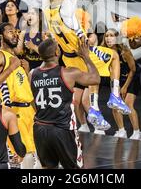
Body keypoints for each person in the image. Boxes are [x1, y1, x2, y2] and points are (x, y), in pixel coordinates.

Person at [44, 0, 129, 132]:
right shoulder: (65, 7)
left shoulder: (48, 7)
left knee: (93, 78)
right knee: (113, 56)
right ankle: (114, 96)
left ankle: (95, 111)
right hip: (81, 51)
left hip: (67, 56)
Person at [30, 38, 100, 169]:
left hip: (40, 128)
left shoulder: (32, 74)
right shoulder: (69, 72)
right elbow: (95, 79)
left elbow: (33, 102)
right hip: (62, 128)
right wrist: (86, 57)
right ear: (57, 52)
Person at [0, 22, 37, 169]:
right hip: (14, 111)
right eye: (10, 32)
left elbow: (24, 88)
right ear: (1, 36)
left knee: (35, 155)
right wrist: (10, 69)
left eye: (15, 31)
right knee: (24, 155)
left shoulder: (15, 57)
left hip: (29, 111)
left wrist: (27, 72)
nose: (15, 34)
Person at [102, 29, 141, 140]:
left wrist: (124, 87)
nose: (108, 38)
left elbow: (133, 70)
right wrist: (116, 87)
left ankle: (137, 132)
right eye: (106, 36)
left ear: (117, 38)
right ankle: (121, 131)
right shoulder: (104, 53)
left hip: (132, 77)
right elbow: (110, 71)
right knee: (114, 104)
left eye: (111, 35)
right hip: (117, 80)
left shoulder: (124, 52)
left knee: (128, 105)